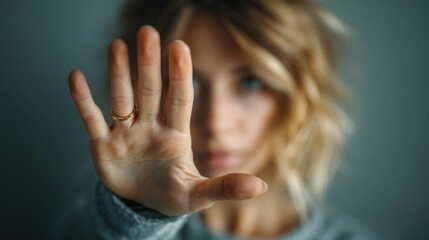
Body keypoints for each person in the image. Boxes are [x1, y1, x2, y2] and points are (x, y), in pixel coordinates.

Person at [61, 0, 378, 239]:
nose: (215, 123)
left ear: (295, 99)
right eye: (190, 83)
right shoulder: (100, 227)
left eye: (250, 82)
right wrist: (134, 217)